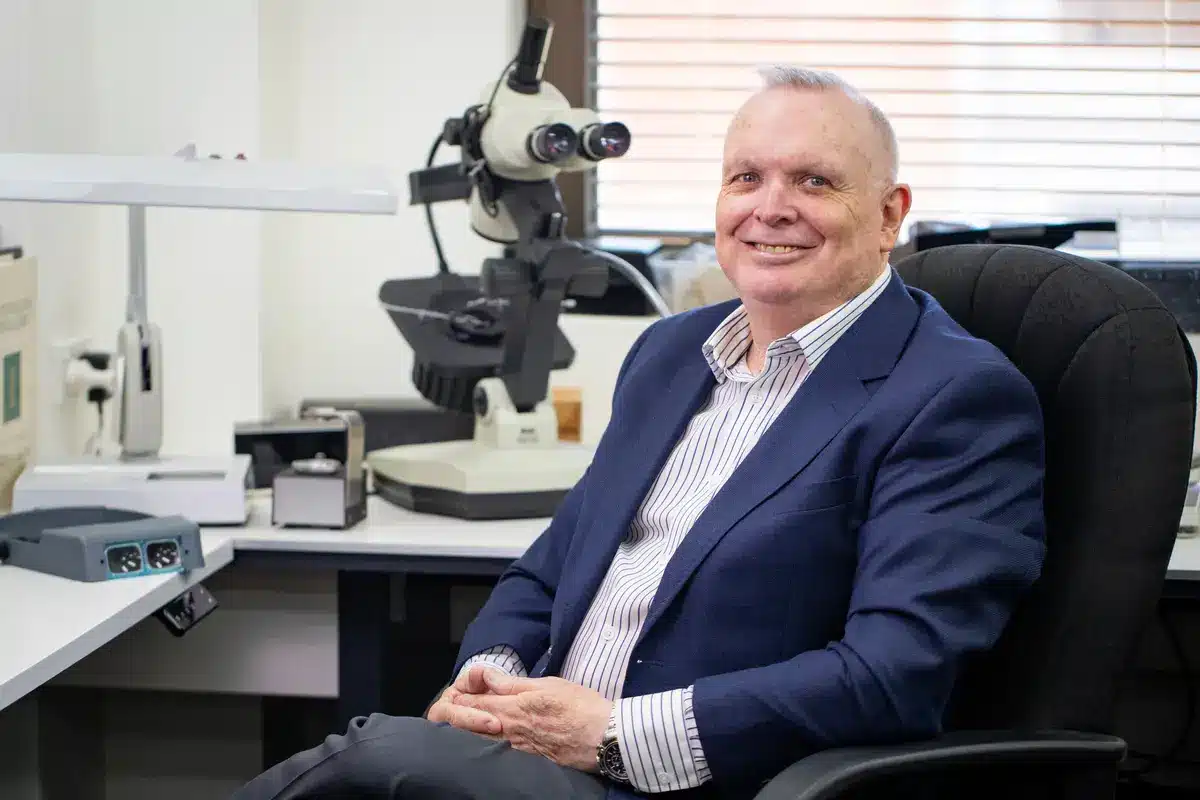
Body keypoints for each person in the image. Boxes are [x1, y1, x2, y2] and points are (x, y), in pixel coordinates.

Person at [232, 65, 1046, 800]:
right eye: (746, 177)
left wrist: (613, 735)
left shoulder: (952, 395)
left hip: (700, 786)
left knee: (371, 762)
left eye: (815, 181)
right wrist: (494, 679)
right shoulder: (668, 355)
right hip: (544, 753)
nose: (771, 207)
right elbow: (550, 569)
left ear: (888, 216)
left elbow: (892, 678)